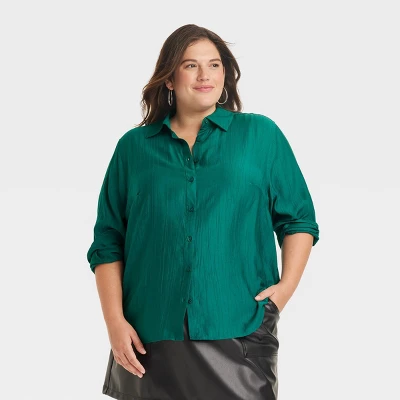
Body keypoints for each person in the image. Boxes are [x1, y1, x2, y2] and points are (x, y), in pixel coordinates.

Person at [87, 24, 320, 400]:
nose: (204, 75)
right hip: (150, 337)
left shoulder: (260, 135)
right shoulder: (134, 148)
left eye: (214, 65)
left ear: (225, 74)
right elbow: (108, 241)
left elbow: (298, 220)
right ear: (169, 78)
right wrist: (114, 322)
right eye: (190, 65)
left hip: (240, 328)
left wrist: (283, 293)